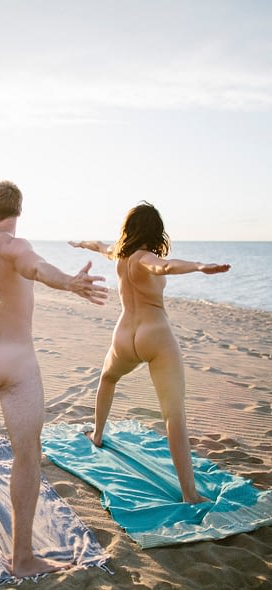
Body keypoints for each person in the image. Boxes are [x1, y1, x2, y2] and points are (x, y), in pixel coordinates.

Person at [0, 180, 108, 577]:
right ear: (19, 211)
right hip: (13, 355)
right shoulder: (14, 245)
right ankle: (23, 557)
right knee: (26, 453)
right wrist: (71, 283)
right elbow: (38, 269)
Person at [69, 201, 230, 504]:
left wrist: (80, 244)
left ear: (130, 228)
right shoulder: (145, 257)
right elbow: (164, 266)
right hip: (155, 336)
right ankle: (189, 494)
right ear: (155, 231)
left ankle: (98, 434)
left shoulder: (119, 253)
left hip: (125, 335)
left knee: (108, 378)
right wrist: (198, 266)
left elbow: (97, 244)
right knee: (174, 414)